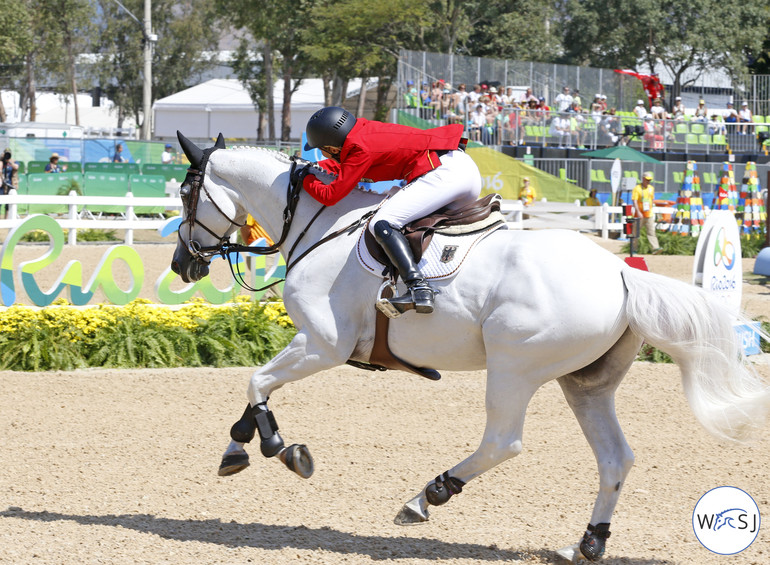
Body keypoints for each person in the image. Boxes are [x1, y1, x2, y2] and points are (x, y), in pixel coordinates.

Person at [300, 106, 481, 314]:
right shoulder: (361, 134)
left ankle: (418, 288)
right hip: (460, 171)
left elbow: (329, 196)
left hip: (446, 173)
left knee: (382, 222)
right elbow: (345, 168)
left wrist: (306, 178)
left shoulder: (359, 147)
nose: (324, 154)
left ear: (332, 147)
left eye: (323, 150)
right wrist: (312, 167)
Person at [632, 171, 662, 254]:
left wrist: (653, 210)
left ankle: (655, 248)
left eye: (649, 180)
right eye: (647, 180)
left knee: (651, 232)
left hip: (649, 214)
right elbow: (634, 201)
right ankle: (634, 249)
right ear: (643, 179)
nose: (648, 182)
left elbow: (652, 200)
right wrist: (638, 212)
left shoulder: (651, 188)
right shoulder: (637, 188)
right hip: (639, 215)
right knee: (636, 233)